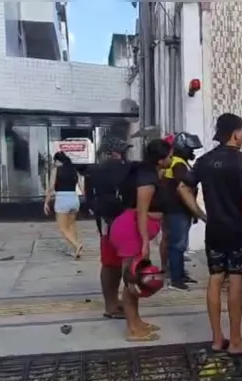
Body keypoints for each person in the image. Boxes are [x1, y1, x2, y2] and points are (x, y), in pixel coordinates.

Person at [182, 113, 242, 356]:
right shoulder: (241, 162)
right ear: (236, 133)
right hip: (238, 231)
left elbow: (183, 188)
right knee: (236, 279)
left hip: (215, 230)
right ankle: (236, 340)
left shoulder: (204, 161)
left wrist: (202, 214)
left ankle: (217, 339)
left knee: (215, 278)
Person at [85, 137, 172, 342]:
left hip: (118, 225)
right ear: (160, 159)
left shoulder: (143, 173)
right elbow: (142, 212)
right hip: (129, 230)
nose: (171, 158)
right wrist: (144, 243)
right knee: (132, 280)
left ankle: (133, 319)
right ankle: (133, 328)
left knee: (125, 274)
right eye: (169, 155)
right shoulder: (145, 177)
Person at [161, 132, 206, 291]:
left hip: (176, 210)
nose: (193, 153)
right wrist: (198, 213)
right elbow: (183, 189)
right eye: (190, 149)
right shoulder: (179, 164)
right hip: (177, 210)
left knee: (179, 244)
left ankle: (179, 274)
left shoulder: (176, 162)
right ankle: (176, 279)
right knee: (178, 245)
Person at [44, 151, 84, 258]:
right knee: (71, 225)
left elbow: (51, 188)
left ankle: (77, 245)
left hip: (62, 199)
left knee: (63, 228)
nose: (54, 164)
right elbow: (81, 187)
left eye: (55, 162)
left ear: (58, 161)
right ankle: (76, 250)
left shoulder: (56, 170)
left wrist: (46, 202)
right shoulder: (74, 171)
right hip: (74, 199)